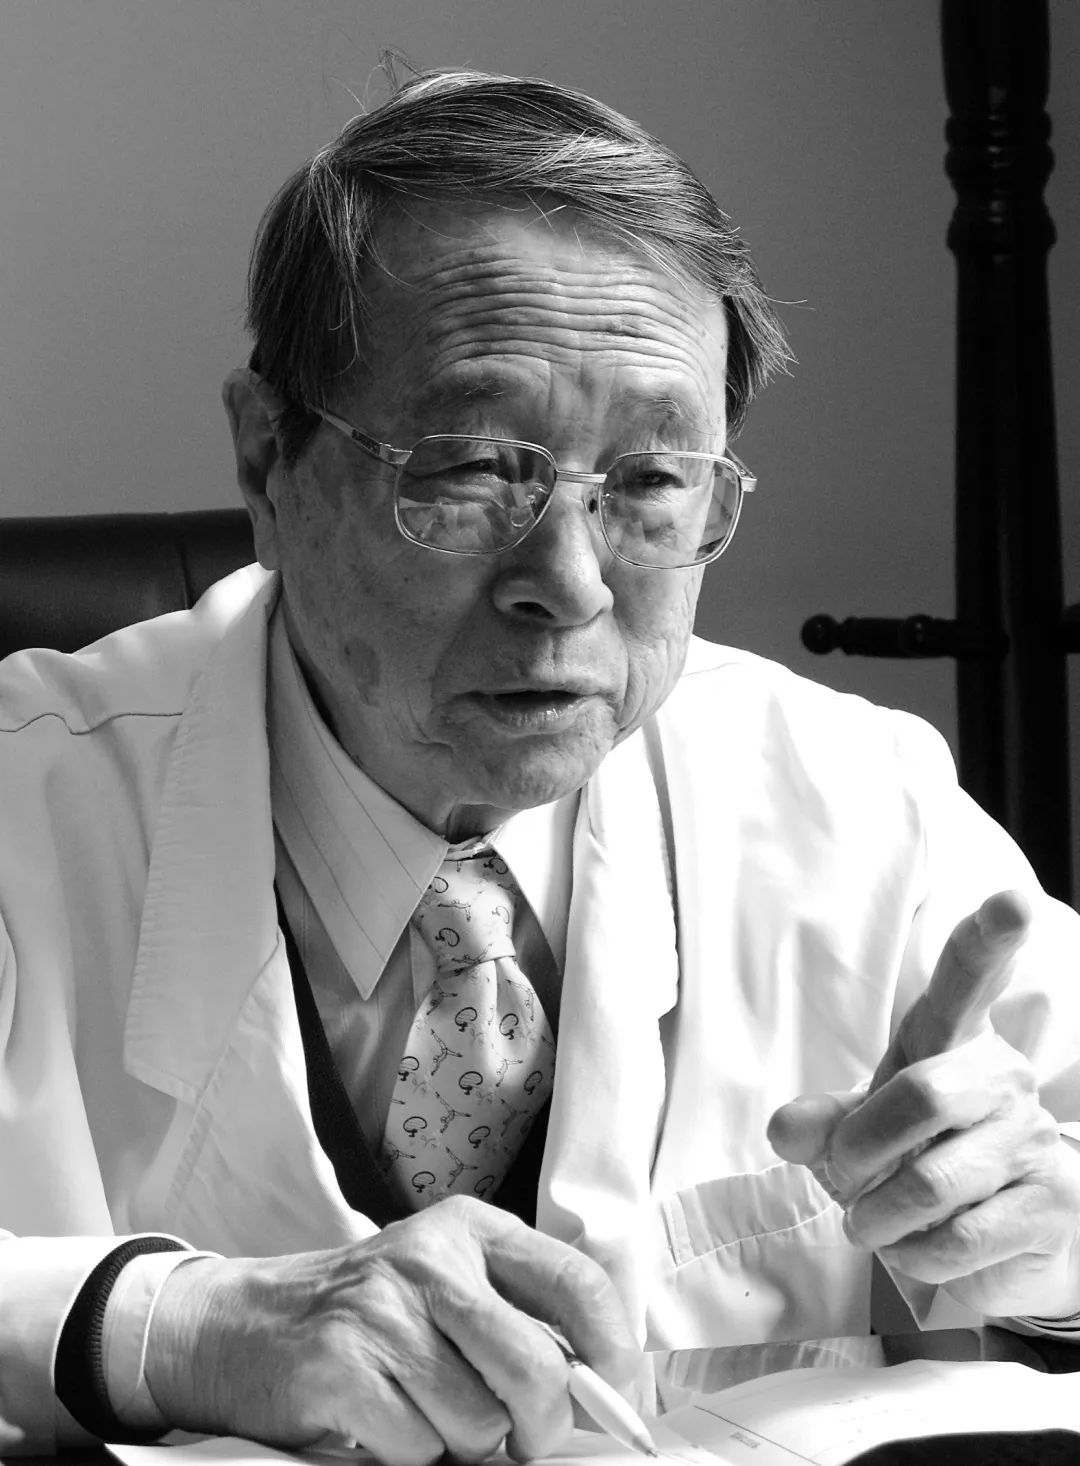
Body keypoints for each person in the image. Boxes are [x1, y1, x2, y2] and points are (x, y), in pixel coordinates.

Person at [2, 61, 1080, 1462]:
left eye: (650, 483)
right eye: (468, 469)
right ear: (270, 460)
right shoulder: (26, 806)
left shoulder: (861, 809)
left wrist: (1053, 1240)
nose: (567, 584)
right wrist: (175, 1329)